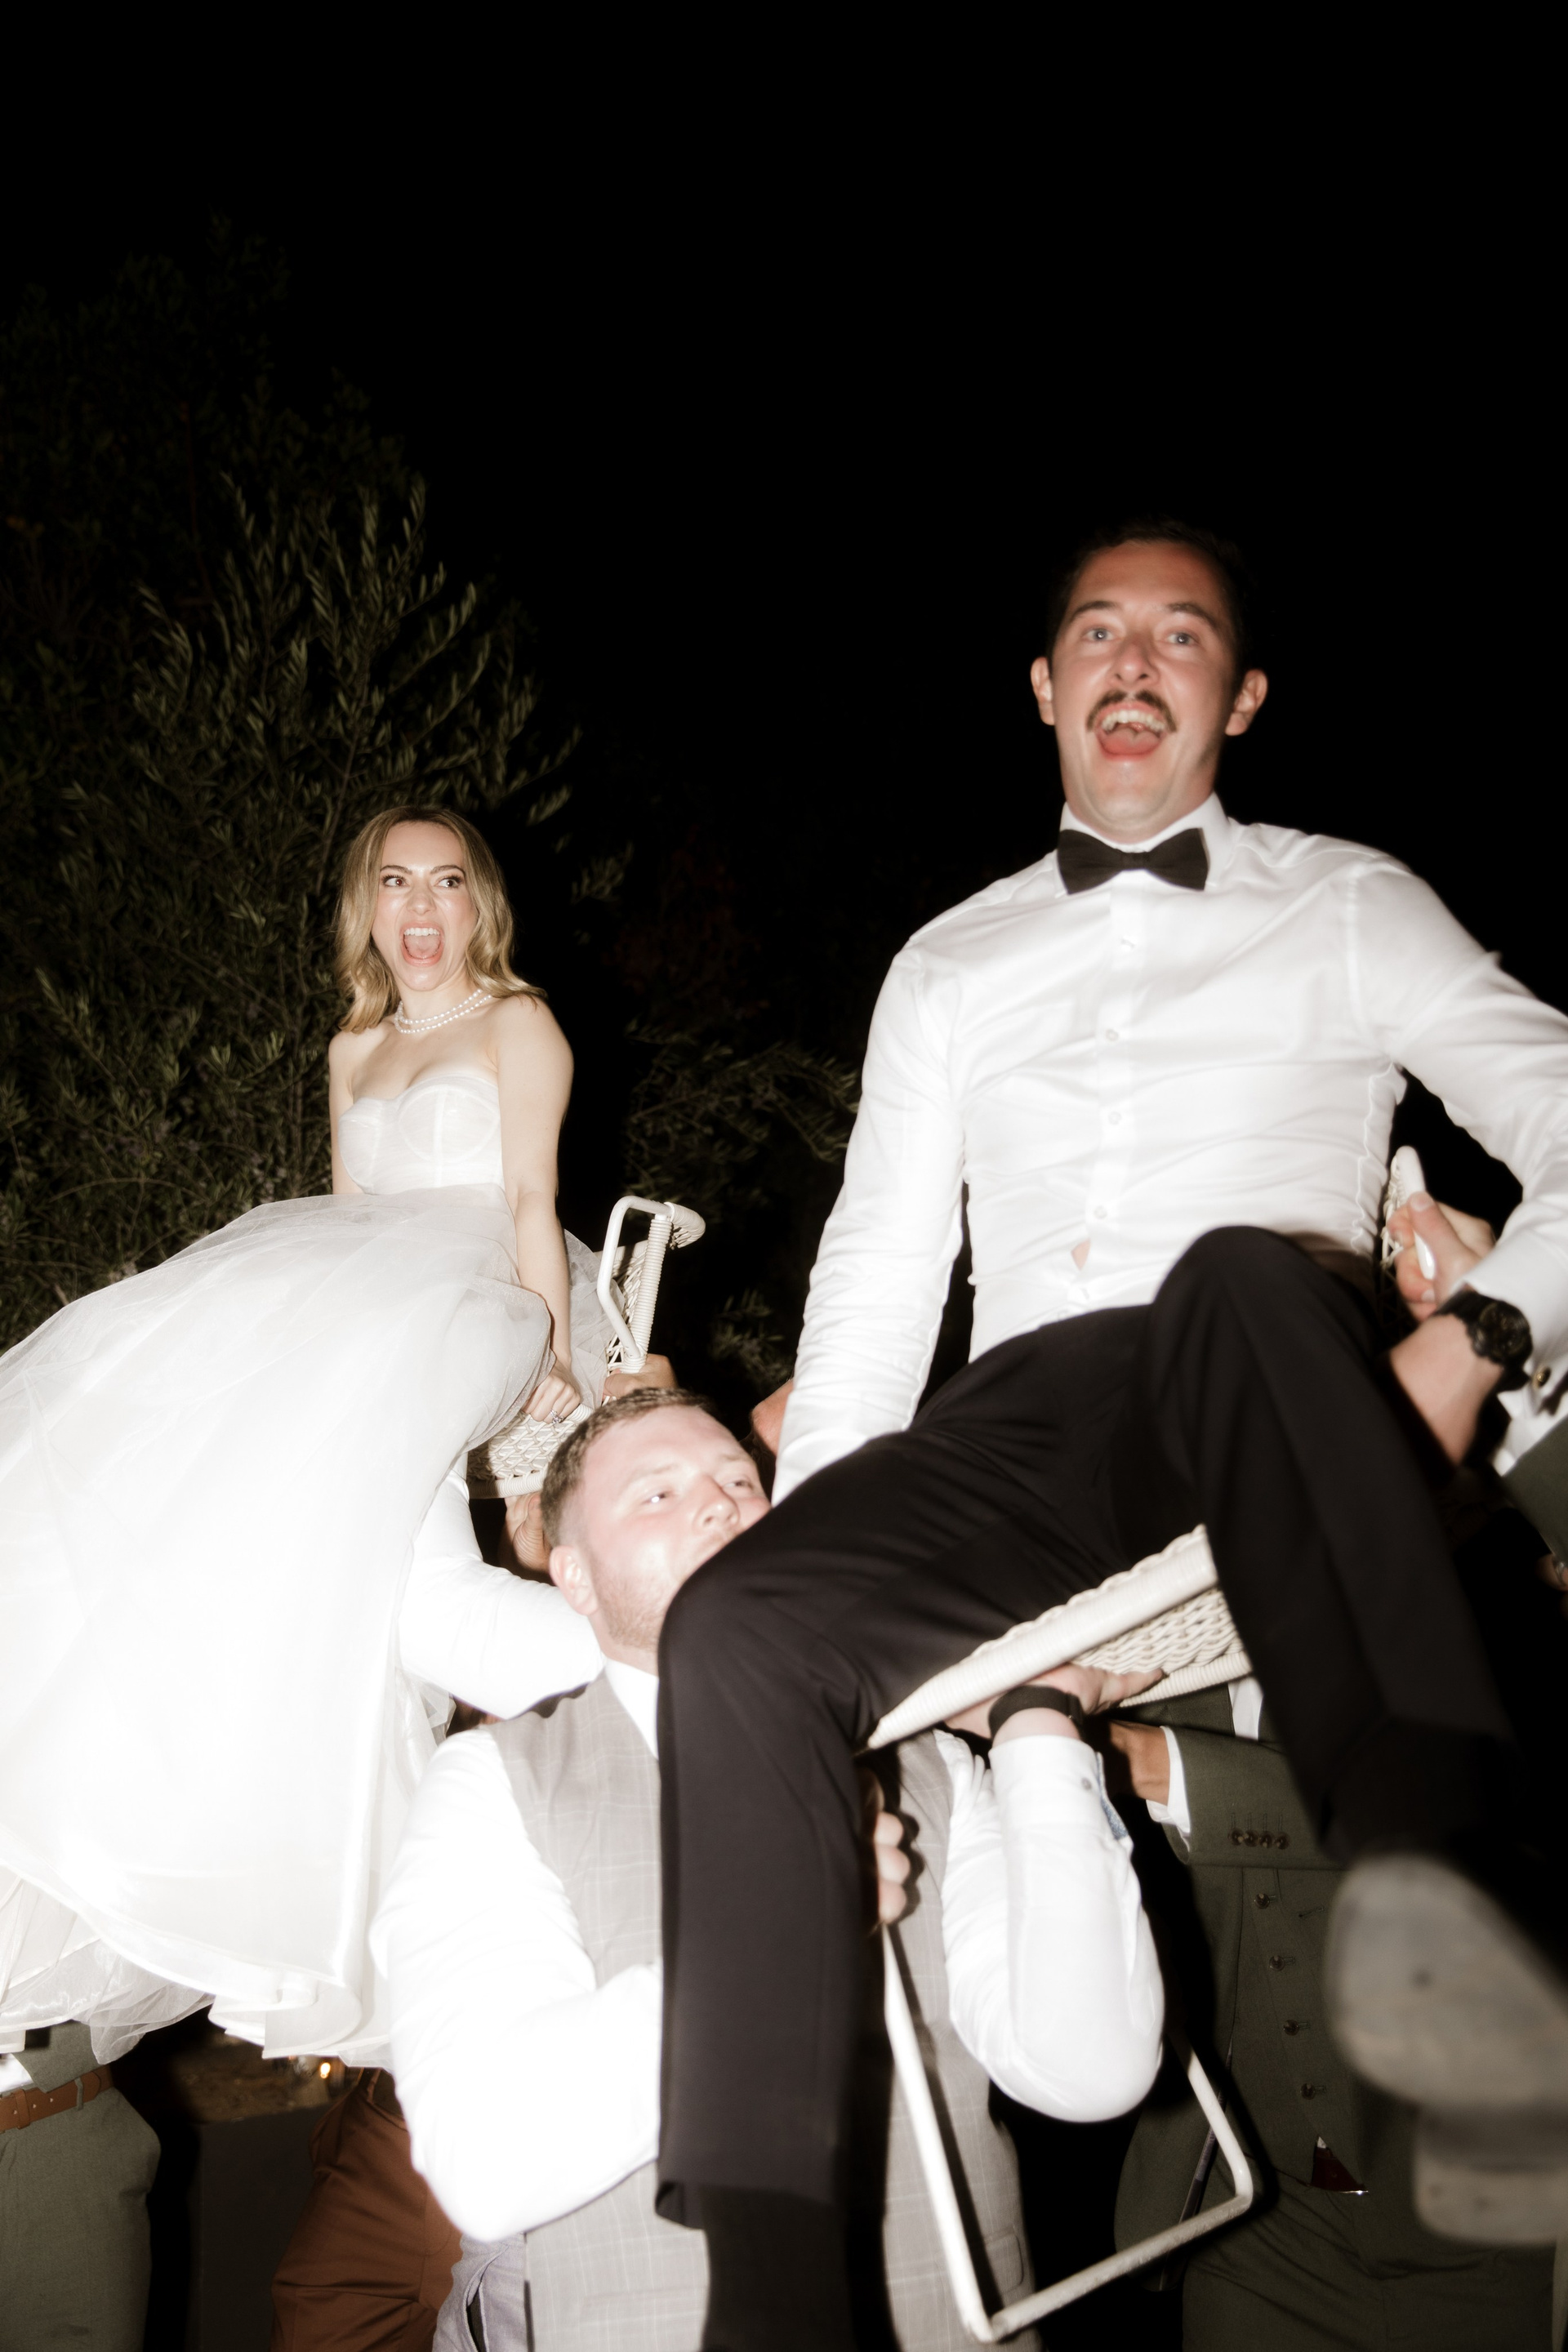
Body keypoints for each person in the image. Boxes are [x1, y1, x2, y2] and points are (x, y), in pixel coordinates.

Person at [650, 519, 1568, 2348]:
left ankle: (1445, 1926)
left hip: (1279, 1372)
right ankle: (772, 2299)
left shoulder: (1350, 900)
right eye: (1096, 633)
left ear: (1244, 698)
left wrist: (1473, 1345)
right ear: (1044, 687)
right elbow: (878, 1284)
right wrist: (828, 1568)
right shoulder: (947, 962)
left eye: (1181, 635)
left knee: (1233, 1278)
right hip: (1027, 1424)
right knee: (732, 1627)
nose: (1134, 663)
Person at [0, 805, 613, 2073]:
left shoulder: (519, 1023)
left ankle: (663, 1690)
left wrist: (549, 1345)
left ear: (480, 903)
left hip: (476, 1293)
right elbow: (343, 1218)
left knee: (396, 1561)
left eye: (446, 880)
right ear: (366, 908)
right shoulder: (352, 1047)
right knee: (228, 1481)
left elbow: (530, 1195)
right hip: (361, 1297)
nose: (421, 907)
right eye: (395, 882)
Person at [375, 1390, 1164, 2350]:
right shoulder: (497, 1784)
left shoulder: (932, 1763)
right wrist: (785, 1923)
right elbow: (486, 2158)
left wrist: (1039, 1726)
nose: (719, 1503)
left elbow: (1090, 2070)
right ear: (574, 1577)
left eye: (741, 1483)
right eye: (657, 1494)